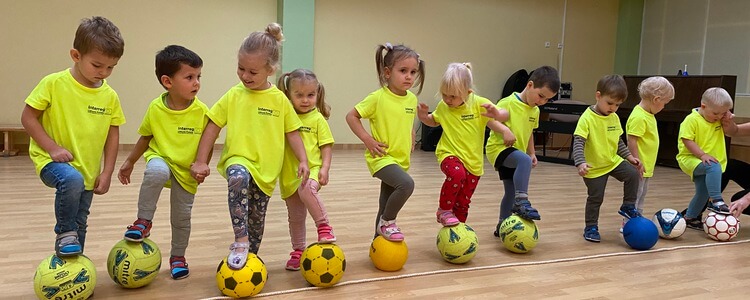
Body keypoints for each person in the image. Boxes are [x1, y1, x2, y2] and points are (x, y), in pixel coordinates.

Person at [190, 23, 310, 270]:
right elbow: (212, 126)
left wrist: (303, 160)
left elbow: (293, 133)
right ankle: (240, 240)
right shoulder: (234, 95)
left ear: (271, 69)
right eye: (241, 68)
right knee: (237, 177)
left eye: (252, 71)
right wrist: (201, 161)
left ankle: (250, 255)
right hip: (239, 160)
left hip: (267, 170)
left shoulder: (279, 100)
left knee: (257, 218)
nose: (245, 76)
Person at [21, 16, 125, 257]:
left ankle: (74, 268)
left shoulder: (110, 96)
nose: (104, 73)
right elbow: (28, 117)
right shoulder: (53, 83)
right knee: (72, 183)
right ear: (76, 55)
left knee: (81, 220)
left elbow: (113, 135)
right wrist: (52, 148)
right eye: (97, 65)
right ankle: (64, 232)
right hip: (53, 162)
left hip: (88, 169)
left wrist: (107, 171)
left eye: (110, 67)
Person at [117, 45, 207, 279]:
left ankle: (178, 257)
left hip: (186, 171)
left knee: (181, 217)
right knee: (156, 171)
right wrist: (129, 162)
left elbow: (208, 141)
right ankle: (143, 221)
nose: (196, 82)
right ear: (167, 81)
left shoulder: (203, 111)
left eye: (198, 77)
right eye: (189, 77)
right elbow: (146, 137)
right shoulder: (156, 108)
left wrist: (201, 164)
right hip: (162, 158)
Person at [345, 43, 425, 242]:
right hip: (381, 157)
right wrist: (367, 139)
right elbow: (351, 116)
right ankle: (388, 222)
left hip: (401, 158)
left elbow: (406, 123)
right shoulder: (378, 98)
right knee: (406, 185)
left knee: (385, 202)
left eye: (413, 72)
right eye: (403, 71)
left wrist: (412, 138)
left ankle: (377, 241)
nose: (409, 76)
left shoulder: (411, 99)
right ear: (387, 72)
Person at [417, 63, 512, 227]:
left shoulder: (479, 104)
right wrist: (424, 117)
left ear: (468, 92)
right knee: (456, 174)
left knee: (463, 201)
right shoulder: (444, 106)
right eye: (444, 95)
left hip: (473, 162)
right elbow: (433, 121)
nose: (447, 100)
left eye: (452, 96)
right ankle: (444, 210)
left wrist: (503, 128)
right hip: (449, 153)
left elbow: (498, 118)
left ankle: (458, 230)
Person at [486, 65, 560, 237]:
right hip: (499, 149)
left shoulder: (534, 110)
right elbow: (489, 120)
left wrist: (532, 152)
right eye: (541, 96)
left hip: (516, 152)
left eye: (547, 100)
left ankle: (502, 224)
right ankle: (522, 201)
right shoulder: (508, 103)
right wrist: (504, 130)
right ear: (530, 85)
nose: (542, 102)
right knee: (523, 161)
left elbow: (529, 133)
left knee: (510, 191)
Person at [277, 69, 336, 271]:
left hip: (313, 170)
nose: (305, 100)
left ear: (317, 94)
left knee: (307, 190)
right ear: (288, 95)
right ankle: (298, 251)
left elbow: (326, 146)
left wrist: (325, 168)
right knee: (295, 217)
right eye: (299, 95)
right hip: (289, 175)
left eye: (310, 95)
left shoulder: (318, 119)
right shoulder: (284, 118)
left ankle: (323, 226)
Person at [573, 75, 642, 243]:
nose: (613, 108)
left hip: (612, 161)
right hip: (594, 166)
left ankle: (628, 205)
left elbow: (617, 141)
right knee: (596, 198)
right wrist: (580, 162)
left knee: (633, 173)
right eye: (610, 103)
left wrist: (629, 157)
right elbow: (578, 142)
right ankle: (591, 227)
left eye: (617, 105)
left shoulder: (614, 117)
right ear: (598, 96)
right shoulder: (587, 118)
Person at [678, 87, 735, 229]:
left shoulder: (718, 118)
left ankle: (690, 217)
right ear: (703, 106)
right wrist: (702, 155)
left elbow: (731, 130)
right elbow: (687, 140)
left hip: (707, 162)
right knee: (713, 165)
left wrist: (728, 119)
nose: (718, 117)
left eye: (723, 113)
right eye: (716, 113)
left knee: (702, 192)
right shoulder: (691, 119)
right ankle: (716, 200)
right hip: (690, 158)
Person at [623, 76, 674, 231]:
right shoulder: (639, 116)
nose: (664, 107)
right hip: (639, 166)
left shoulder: (648, 114)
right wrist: (636, 162)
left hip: (647, 167)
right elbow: (632, 141)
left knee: (641, 194)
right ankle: (628, 224)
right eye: (664, 103)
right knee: (635, 195)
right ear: (656, 99)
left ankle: (637, 219)